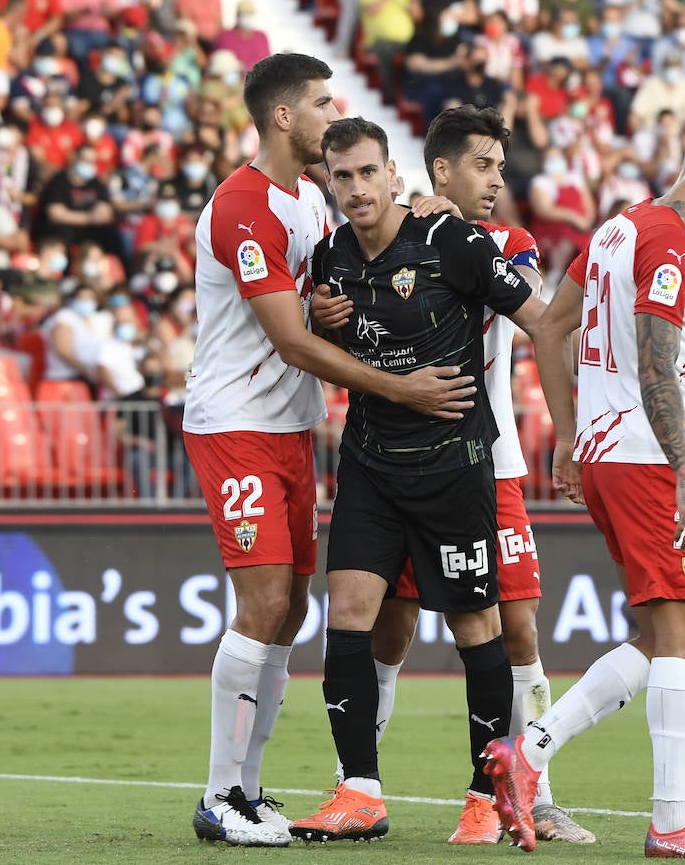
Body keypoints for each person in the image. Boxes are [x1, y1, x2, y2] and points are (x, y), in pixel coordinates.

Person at [185, 53, 475, 848]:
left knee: (288, 614)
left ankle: (247, 789)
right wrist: (401, 388)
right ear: (285, 117)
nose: (330, 110)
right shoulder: (244, 205)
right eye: (320, 101)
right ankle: (219, 795)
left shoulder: (310, 199)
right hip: (236, 423)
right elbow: (289, 339)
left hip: (288, 429)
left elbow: (338, 288)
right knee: (266, 604)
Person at [483, 113, 685, 858]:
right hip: (646, 458)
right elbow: (656, 361)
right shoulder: (673, 243)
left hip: (609, 453)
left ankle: (529, 753)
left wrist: (574, 435)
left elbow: (548, 328)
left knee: (659, 632)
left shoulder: (615, 230)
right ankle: (673, 822)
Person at [310, 105, 593, 845]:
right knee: (362, 617)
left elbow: (541, 314)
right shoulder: (331, 254)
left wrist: (571, 430)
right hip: (371, 465)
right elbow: (322, 332)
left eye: (370, 171)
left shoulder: (463, 241)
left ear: (395, 174)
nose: (357, 186)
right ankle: (359, 790)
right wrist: (318, 317)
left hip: (463, 463)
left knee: (492, 625)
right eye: (343, 176)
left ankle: (498, 793)